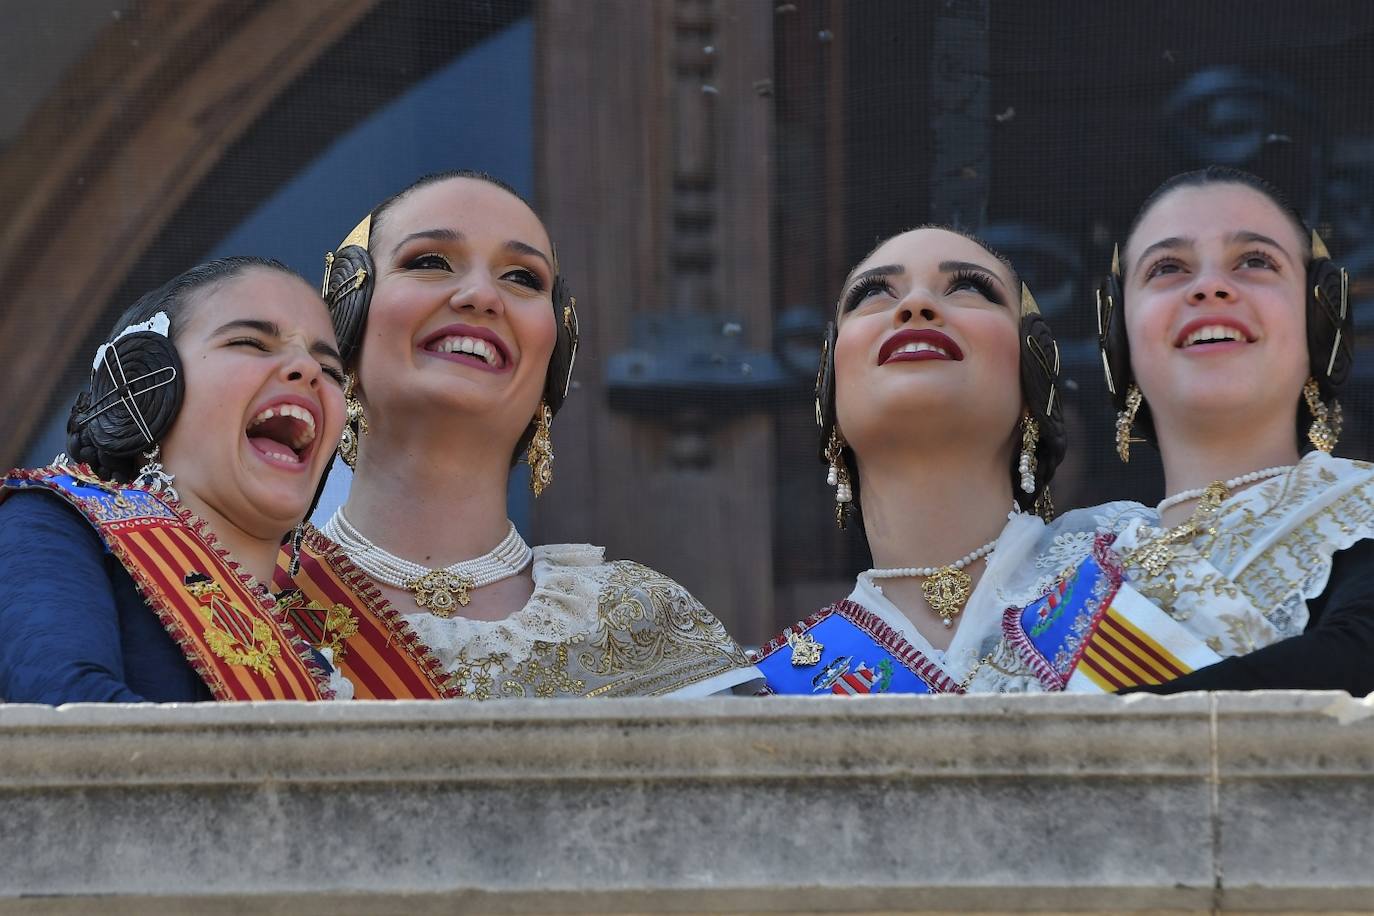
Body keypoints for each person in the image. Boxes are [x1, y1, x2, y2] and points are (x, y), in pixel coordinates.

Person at [277, 171, 761, 699]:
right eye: (429, 262)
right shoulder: (242, 607)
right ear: (346, 324)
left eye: (524, 278)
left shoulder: (644, 625)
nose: (482, 296)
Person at [753, 225, 1147, 695]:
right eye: (873, 293)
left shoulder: (1143, 569)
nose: (915, 307)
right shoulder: (773, 690)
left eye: (968, 288)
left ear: (1031, 375)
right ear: (829, 392)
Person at [0, 257, 349, 703]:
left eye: (333, 371)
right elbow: (71, 725)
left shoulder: (327, 641)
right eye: (251, 342)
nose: (308, 369)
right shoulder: (51, 523)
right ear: (145, 383)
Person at [1077, 166, 1371, 695]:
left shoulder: (1363, 518)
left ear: (1319, 318)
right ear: (1119, 337)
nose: (1211, 287)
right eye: (1167, 268)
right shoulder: (1052, 579)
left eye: (1255, 261)